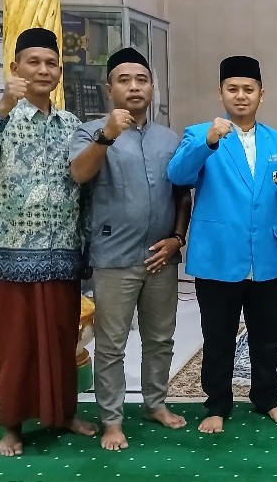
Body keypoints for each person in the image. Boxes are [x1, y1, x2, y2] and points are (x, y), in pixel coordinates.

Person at [0, 27, 97, 456]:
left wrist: (86, 247)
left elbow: (84, 189)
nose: (43, 70)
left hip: (61, 257)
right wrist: (3, 107)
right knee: (13, 348)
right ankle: (12, 426)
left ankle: (64, 413)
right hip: (8, 260)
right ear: (15, 67)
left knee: (61, 341)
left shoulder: (71, 125)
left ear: (60, 72)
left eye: (51, 63)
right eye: (33, 62)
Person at [167, 56, 277, 434]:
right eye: (233, 89)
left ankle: (267, 398)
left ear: (261, 94)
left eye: (248, 89)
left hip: (267, 255)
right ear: (221, 93)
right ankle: (217, 404)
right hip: (218, 254)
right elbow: (177, 175)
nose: (241, 96)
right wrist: (208, 142)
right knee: (218, 336)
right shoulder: (200, 134)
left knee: (268, 334)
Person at [69, 48, 192, 450]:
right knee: (111, 345)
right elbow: (79, 173)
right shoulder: (90, 132)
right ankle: (112, 420)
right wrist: (107, 135)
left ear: (152, 88)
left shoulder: (168, 138)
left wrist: (177, 239)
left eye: (142, 80)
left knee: (160, 338)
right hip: (113, 258)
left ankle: (155, 403)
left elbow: (182, 194)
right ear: (109, 89)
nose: (134, 87)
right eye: (124, 80)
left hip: (161, 258)